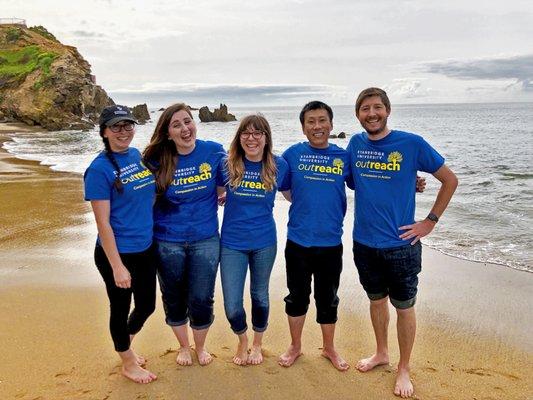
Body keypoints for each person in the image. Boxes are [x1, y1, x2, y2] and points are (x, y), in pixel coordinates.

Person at [347, 88, 458, 398]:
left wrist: (429, 222)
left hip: (401, 246)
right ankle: (381, 353)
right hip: (364, 243)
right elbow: (356, 181)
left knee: (405, 307)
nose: (371, 113)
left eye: (377, 107)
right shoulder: (355, 144)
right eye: (365, 108)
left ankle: (404, 367)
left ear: (387, 110)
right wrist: (411, 182)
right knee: (376, 300)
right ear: (358, 115)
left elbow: (450, 180)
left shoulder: (411, 143)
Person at [143, 103, 225, 366]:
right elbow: (139, 197)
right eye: (176, 125)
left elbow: (230, 180)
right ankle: (183, 346)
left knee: (202, 296)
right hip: (168, 241)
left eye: (187, 121)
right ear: (167, 133)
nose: (185, 128)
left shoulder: (213, 151)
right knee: (173, 296)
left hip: (206, 239)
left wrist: (223, 193)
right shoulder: (156, 161)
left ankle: (200, 347)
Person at [84, 105, 157, 384]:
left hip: (145, 247)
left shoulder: (136, 156)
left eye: (127, 125)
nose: (123, 131)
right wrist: (117, 267)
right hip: (117, 253)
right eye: (116, 126)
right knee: (120, 307)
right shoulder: (99, 169)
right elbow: (103, 223)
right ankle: (127, 361)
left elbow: (146, 195)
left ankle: (125, 345)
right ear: (104, 131)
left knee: (147, 305)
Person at [278, 101, 352, 371]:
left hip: (331, 242)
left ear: (331, 125)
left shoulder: (343, 157)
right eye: (311, 121)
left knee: (328, 297)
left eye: (322, 121)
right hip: (298, 241)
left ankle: (329, 348)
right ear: (303, 127)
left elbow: (371, 181)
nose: (317, 126)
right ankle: (295, 346)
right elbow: (277, 184)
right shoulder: (292, 154)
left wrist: (410, 183)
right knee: (296, 296)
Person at [218, 114, 290, 366]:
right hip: (231, 244)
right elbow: (211, 191)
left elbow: (296, 195)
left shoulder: (279, 165)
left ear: (266, 137)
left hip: (264, 242)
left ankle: (257, 343)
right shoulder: (226, 165)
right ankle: (242, 340)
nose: (251, 138)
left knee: (260, 295)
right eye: (245, 133)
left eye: (257, 133)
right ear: (239, 138)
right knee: (232, 304)